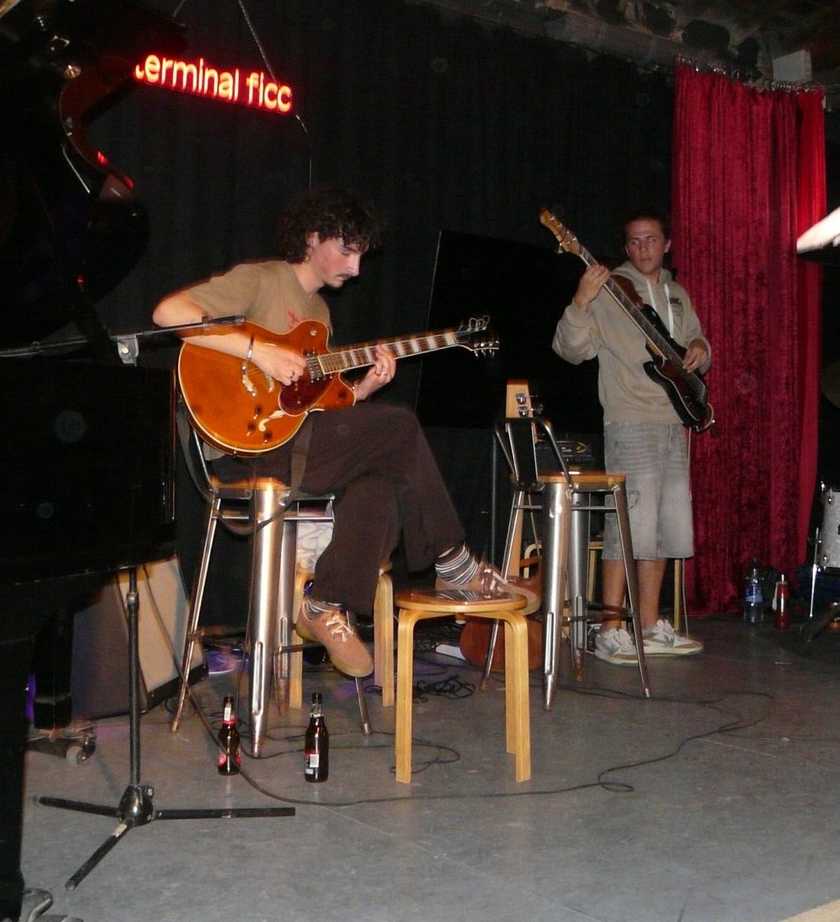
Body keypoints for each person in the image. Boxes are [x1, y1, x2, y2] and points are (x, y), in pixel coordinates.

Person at [153, 185, 531, 678]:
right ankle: (454, 562)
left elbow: (318, 408)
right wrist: (259, 351)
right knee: (400, 425)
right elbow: (168, 314)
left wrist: (364, 389)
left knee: (381, 483)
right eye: (347, 251)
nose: (355, 268)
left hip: (297, 442)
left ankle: (325, 604)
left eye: (361, 257)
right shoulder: (263, 279)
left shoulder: (319, 317)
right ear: (313, 237)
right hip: (245, 447)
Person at [551, 210, 709, 665]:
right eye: (635, 241)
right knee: (627, 527)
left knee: (661, 529)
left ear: (667, 244)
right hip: (630, 421)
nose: (643, 248)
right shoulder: (609, 289)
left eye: (651, 240)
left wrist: (701, 350)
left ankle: (650, 625)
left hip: (674, 421)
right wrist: (581, 301)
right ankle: (610, 629)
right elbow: (570, 350)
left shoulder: (677, 294)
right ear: (625, 248)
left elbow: (696, 340)